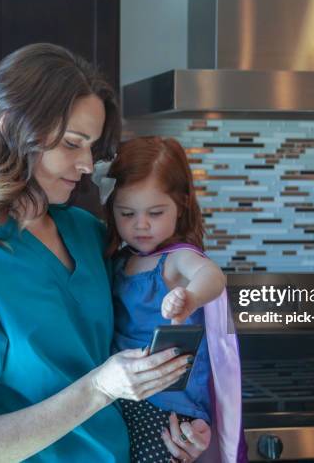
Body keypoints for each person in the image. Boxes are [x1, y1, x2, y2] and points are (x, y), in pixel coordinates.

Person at [0, 44, 210, 462]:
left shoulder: (88, 233)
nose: (85, 164)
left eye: (91, 147)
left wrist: (172, 430)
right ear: (11, 126)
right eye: (72, 143)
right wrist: (101, 387)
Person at [103, 137, 247, 463]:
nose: (141, 225)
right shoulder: (117, 260)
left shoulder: (176, 259)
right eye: (126, 213)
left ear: (181, 206)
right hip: (124, 393)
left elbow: (212, 275)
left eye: (155, 212)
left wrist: (191, 297)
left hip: (169, 405)